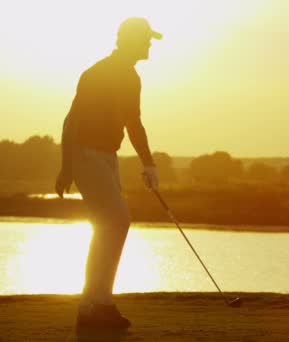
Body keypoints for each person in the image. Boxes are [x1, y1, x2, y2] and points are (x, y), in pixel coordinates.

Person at [55, 17, 162, 330]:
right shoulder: (102, 73)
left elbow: (131, 122)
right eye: (146, 39)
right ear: (130, 40)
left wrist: (148, 163)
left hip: (105, 155)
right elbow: (72, 121)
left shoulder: (128, 75)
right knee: (115, 221)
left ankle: (97, 305)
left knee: (111, 225)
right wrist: (66, 166)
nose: (149, 45)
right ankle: (94, 306)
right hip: (87, 154)